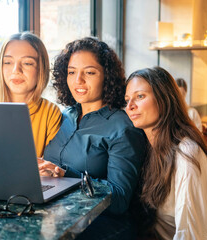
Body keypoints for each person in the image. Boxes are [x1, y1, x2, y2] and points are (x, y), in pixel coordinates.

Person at [40, 37, 147, 239]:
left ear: (107, 76)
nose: (78, 80)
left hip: (102, 225)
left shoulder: (123, 128)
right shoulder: (63, 116)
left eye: (89, 72)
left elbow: (120, 201)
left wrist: (67, 174)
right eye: (72, 72)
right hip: (58, 213)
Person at [125, 67, 207, 240]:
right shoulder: (147, 147)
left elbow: (191, 234)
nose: (130, 106)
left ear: (164, 99)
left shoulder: (187, 154)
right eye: (127, 100)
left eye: (140, 96)